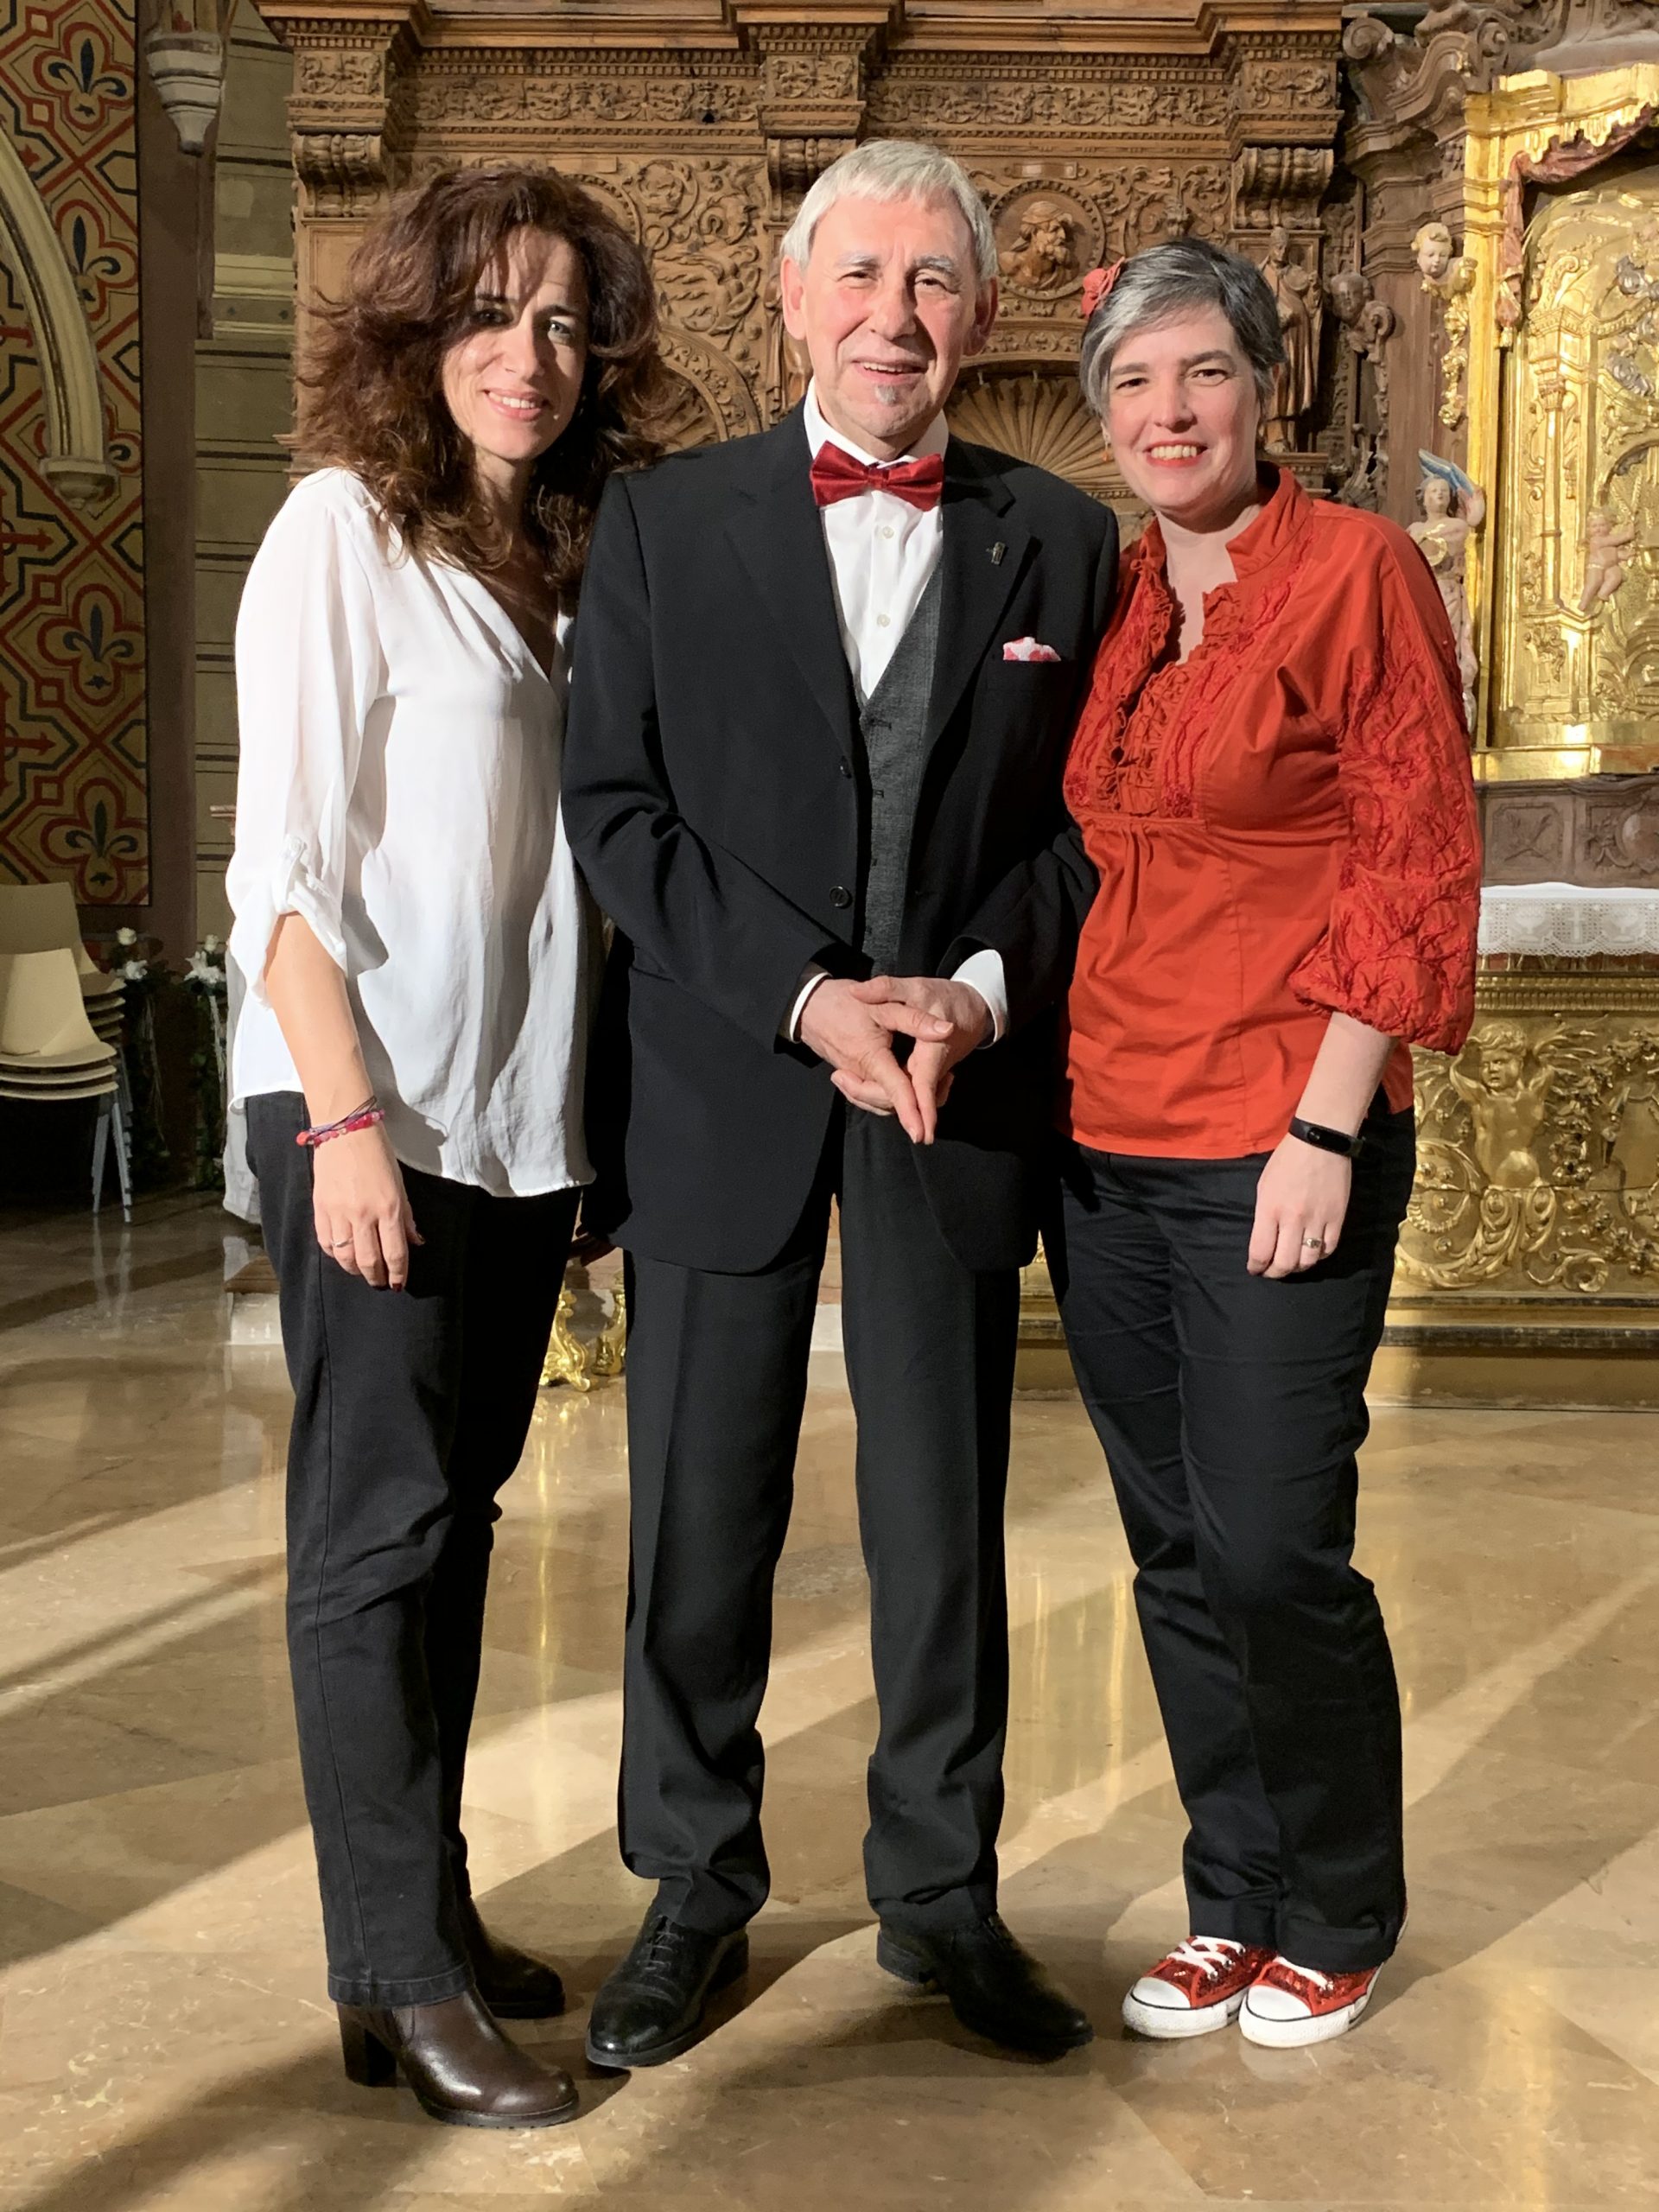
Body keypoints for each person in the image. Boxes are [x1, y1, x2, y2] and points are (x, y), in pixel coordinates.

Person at [561, 139, 1117, 2067]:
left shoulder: (1066, 538)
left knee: (941, 1514)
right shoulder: (662, 522)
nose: (895, 316)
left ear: (984, 313)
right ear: (794, 298)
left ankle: (941, 1895)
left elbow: (1084, 830)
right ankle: (692, 1884)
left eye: (933, 280)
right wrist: (806, 1000)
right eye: (860, 276)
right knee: (696, 1510)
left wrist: (971, 995)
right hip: (726, 1079)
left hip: (951, 1093)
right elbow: (616, 811)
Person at [226, 166, 664, 2128]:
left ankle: (418, 1919)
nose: (529, 354)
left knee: (458, 1519)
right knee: (371, 1535)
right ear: (417, 333)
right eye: (490, 313)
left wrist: (573, 1134)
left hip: (506, 1127)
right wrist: (341, 1122)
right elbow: (282, 875)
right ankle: (395, 1973)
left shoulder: (560, 565)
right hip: (371, 1109)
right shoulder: (343, 532)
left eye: (564, 322)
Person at [1046, 238, 1481, 2050]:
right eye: (1135, 382)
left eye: (1203, 372)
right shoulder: (1122, 594)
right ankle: (1232, 1894)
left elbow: (1414, 848)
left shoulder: (1360, 571)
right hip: (1106, 1138)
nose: (1169, 412)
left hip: (1276, 1132)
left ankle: (1340, 1905)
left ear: (1265, 386)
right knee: (1170, 1546)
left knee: (1273, 1545)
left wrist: (1326, 1117)